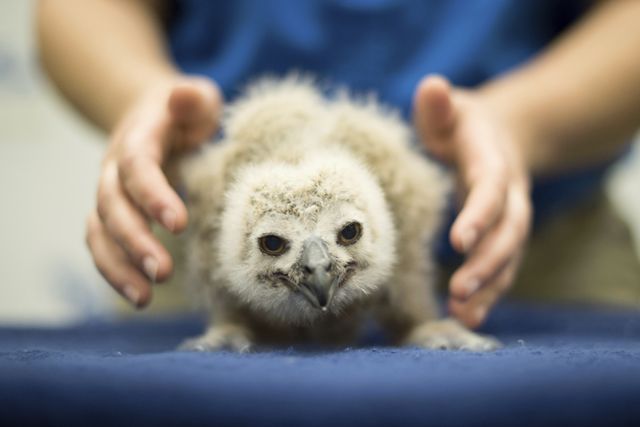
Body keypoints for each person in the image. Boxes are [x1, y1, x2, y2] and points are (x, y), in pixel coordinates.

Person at [37, 0, 640, 329]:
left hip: (546, 247)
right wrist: (141, 97)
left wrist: (523, 124)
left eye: (347, 233)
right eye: (281, 245)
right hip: (204, 248)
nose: (320, 264)